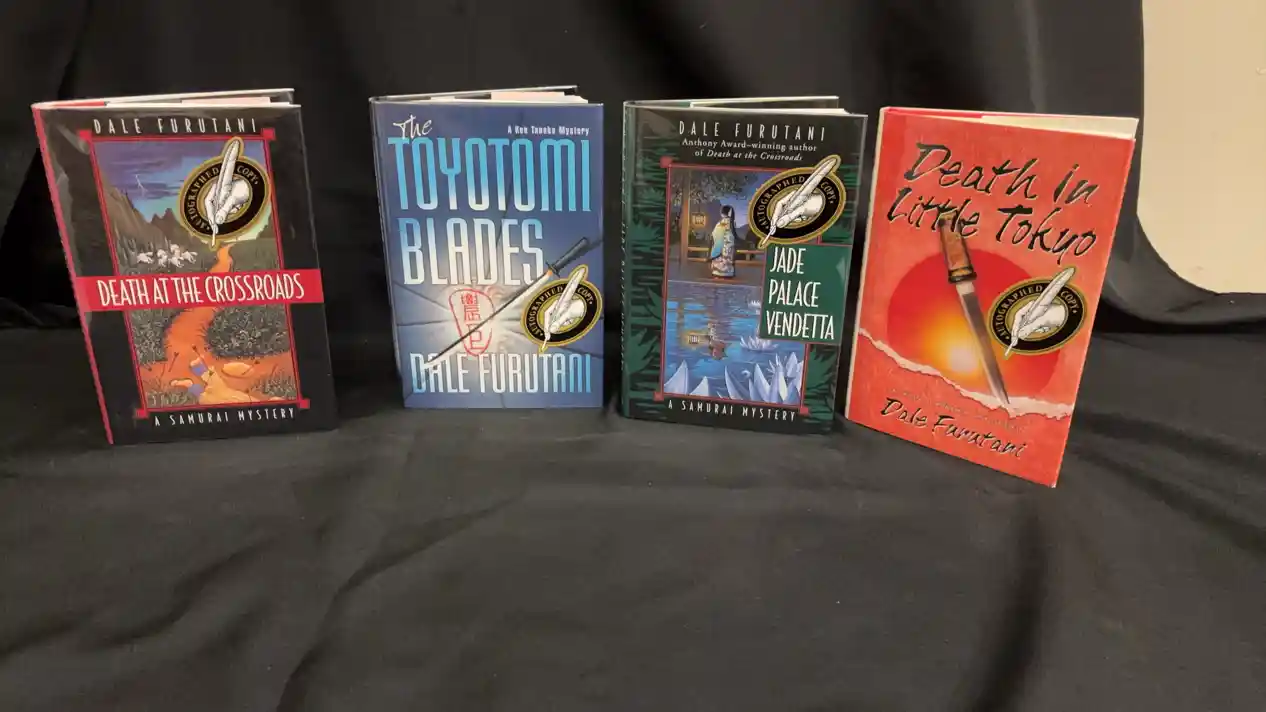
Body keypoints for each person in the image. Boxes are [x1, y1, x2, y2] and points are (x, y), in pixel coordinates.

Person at [709, 205, 738, 278]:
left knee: (719, 265)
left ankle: (719, 273)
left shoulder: (720, 223)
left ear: (722, 213)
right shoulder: (731, 222)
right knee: (727, 263)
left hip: (720, 248)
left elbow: (714, 235)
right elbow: (733, 236)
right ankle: (727, 273)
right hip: (729, 248)